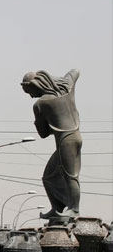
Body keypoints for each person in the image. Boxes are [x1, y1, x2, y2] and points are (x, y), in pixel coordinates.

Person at [21, 69, 82, 220]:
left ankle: (74, 209)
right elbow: (75, 72)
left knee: (70, 176)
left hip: (65, 140)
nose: (30, 95)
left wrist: (38, 120)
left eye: (29, 91)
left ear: (37, 85)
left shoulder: (40, 104)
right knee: (49, 177)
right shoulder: (67, 88)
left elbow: (43, 134)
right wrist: (58, 81)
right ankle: (58, 207)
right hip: (75, 137)